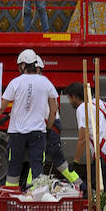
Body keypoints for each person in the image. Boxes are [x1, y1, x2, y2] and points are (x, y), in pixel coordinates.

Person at [0, 48, 58, 192]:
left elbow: (2, 107)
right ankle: (36, 202)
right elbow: (53, 110)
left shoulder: (15, 82)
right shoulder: (46, 83)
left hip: (16, 134)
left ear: (22, 65)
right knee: (37, 170)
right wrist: (49, 128)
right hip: (38, 133)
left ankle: (11, 198)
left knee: (13, 169)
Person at [20, 55, 81, 187]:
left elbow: (50, 110)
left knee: (56, 159)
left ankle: (80, 185)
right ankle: (31, 185)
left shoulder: (39, 83)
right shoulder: (41, 83)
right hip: (50, 125)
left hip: (50, 125)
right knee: (38, 158)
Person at [65, 81, 106, 190]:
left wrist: (76, 162)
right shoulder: (102, 103)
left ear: (74, 97)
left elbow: (82, 139)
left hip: (105, 155)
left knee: (101, 190)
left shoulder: (82, 109)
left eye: (69, 98)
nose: (69, 102)